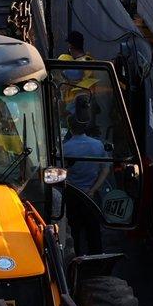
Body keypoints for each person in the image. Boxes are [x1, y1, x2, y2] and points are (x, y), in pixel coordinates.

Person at [63, 101, 110, 255]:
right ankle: (97, 265)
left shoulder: (65, 148)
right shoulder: (97, 145)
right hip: (92, 196)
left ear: (70, 128)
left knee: (74, 233)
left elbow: (61, 173)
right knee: (94, 233)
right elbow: (105, 170)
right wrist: (93, 190)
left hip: (72, 196)